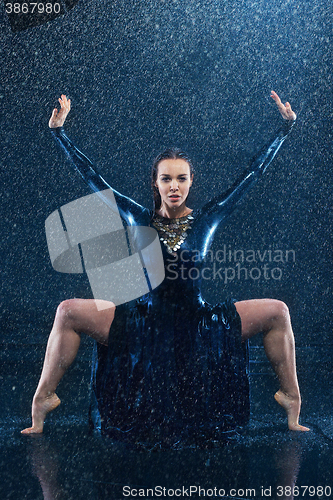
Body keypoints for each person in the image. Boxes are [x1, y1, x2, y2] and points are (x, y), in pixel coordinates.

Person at [22, 92, 309, 443]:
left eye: (182, 178)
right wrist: (59, 132)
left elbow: (252, 173)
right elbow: (93, 178)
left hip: (199, 325)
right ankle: (43, 398)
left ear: (191, 182)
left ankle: (291, 396)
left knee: (278, 311)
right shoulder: (138, 217)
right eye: (166, 179)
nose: (174, 186)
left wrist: (285, 129)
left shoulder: (209, 217)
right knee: (67, 311)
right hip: (146, 323)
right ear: (156, 183)